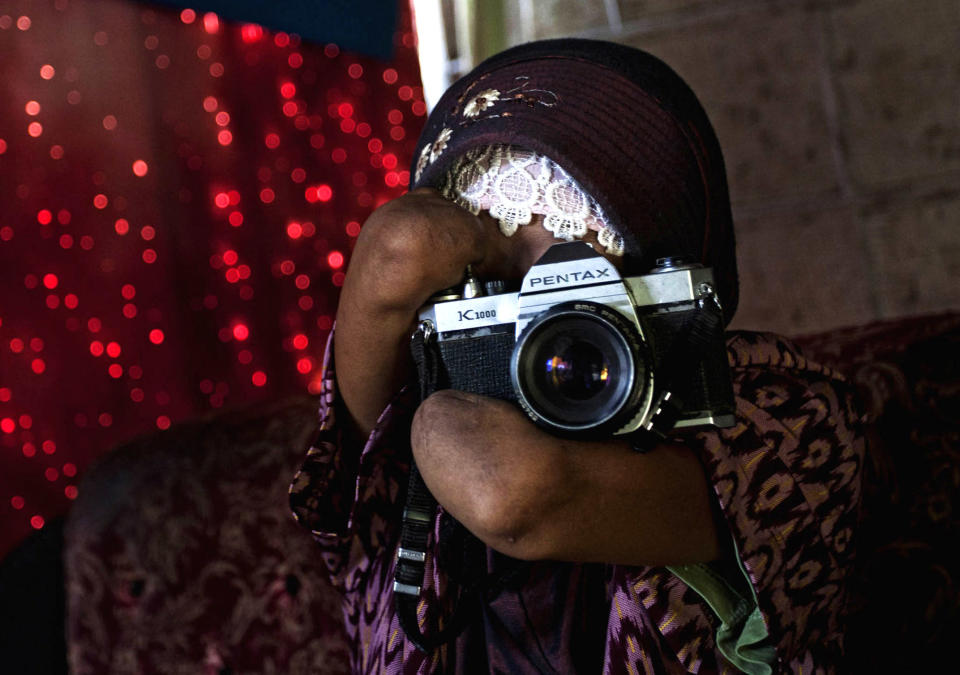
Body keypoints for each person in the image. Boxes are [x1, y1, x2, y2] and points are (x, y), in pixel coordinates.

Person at [289, 39, 864, 674]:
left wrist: (442, 419)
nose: (551, 313)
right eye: (504, 275)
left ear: (674, 275)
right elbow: (397, 249)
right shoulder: (400, 459)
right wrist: (439, 251)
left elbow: (510, 492)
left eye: (588, 254)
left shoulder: (788, 415)